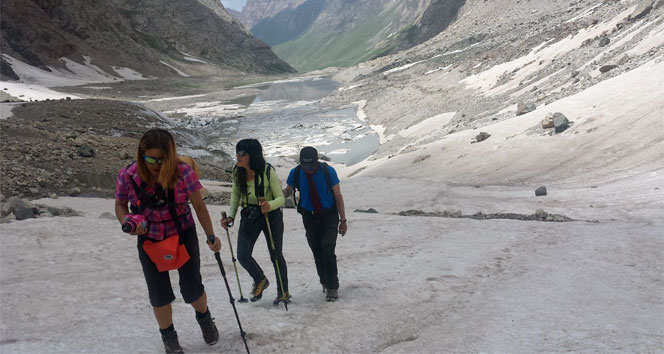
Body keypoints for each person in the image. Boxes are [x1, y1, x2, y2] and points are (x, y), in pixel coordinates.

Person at [115, 128, 222, 354]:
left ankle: (205, 319)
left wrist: (211, 236)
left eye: (161, 159)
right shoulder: (128, 175)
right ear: (141, 154)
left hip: (182, 234)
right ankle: (169, 340)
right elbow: (120, 204)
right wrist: (127, 222)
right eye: (150, 158)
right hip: (149, 239)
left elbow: (199, 205)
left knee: (192, 286)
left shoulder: (183, 172)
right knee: (158, 292)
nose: (155, 164)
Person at [220, 138, 290, 306]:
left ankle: (283, 292)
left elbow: (280, 197)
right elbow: (235, 195)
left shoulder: (267, 171)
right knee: (242, 255)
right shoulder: (238, 171)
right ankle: (260, 279)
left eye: (242, 153)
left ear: (253, 155)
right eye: (237, 152)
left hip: (270, 215)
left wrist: (269, 205)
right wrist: (231, 216)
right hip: (250, 214)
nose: (238, 156)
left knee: (275, 254)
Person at [283, 147, 347, 302]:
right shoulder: (296, 173)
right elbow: (287, 191)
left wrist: (343, 220)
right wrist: (271, 202)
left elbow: (338, 196)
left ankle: (332, 287)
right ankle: (324, 281)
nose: (308, 170)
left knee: (328, 247)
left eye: (311, 166)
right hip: (309, 217)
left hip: (329, 215)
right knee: (317, 251)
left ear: (316, 160)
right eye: (305, 167)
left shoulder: (328, 171)